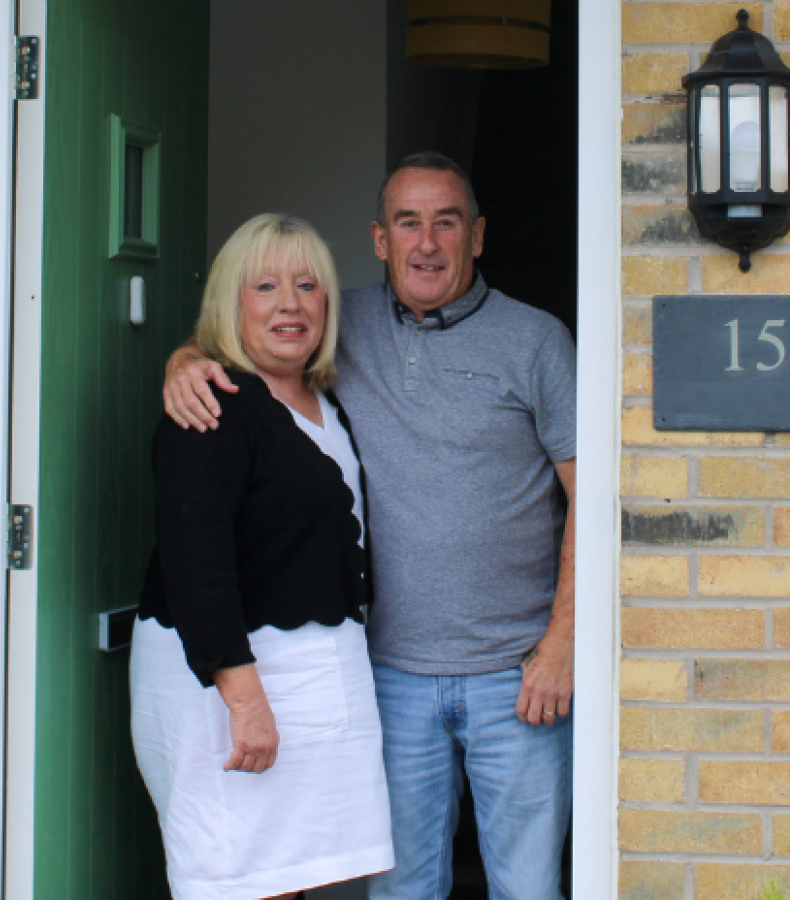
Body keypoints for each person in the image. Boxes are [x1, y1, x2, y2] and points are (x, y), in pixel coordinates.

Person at [163, 152, 576, 900]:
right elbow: (253, 331)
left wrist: (561, 645)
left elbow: (591, 499)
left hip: (516, 680)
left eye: (445, 223)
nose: (426, 242)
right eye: (407, 223)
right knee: (403, 889)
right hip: (387, 676)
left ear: (477, 236)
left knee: (528, 886)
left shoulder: (537, 341)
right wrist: (185, 361)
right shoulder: (335, 325)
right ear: (380, 240)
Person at [131, 213, 394, 900]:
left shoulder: (326, 400)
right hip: (230, 686)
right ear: (229, 300)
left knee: (289, 878)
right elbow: (198, 564)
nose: (290, 304)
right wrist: (244, 700)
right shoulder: (210, 406)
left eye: (308, 285)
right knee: (236, 878)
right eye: (266, 286)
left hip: (313, 678)